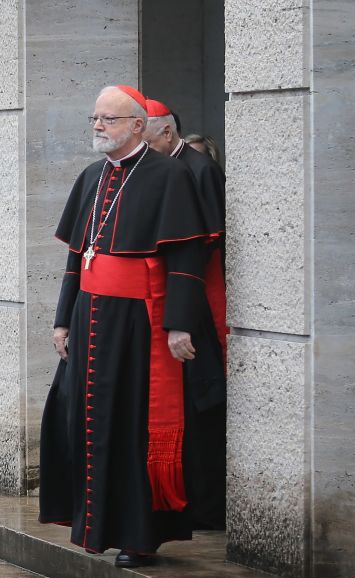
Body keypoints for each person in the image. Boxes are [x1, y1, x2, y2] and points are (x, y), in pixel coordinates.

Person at [37, 85, 212, 568]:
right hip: (89, 316)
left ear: (137, 125)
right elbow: (78, 256)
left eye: (108, 119)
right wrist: (61, 319)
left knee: (131, 425)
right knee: (85, 420)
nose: (98, 126)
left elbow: (184, 257)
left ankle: (139, 536)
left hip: (139, 322)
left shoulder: (169, 176)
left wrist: (178, 325)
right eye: (95, 118)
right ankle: (94, 523)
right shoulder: (92, 176)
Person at [145, 99, 228, 530]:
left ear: (165, 133)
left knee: (204, 405)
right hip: (173, 296)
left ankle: (209, 505)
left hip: (196, 299)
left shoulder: (198, 168)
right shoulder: (163, 168)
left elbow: (206, 239)